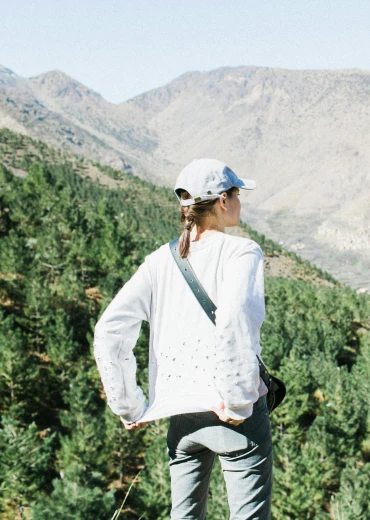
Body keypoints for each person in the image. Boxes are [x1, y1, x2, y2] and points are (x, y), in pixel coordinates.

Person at [92, 158, 272, 519]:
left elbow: (109, 330)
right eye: (237, 194)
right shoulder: (241, 251)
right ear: (222, 201)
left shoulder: (160, 260)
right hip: (232, 417)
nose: (240, 201)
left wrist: (129, 404)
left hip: (180, 420)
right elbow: (236, 321)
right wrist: (237, 403)